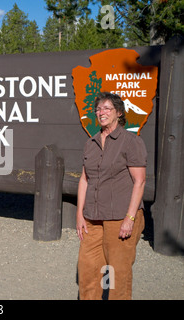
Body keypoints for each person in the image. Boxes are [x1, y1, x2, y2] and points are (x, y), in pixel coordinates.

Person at [76, 92, 147, 300]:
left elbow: (139, 181)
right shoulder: (91, 142)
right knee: (88, 269)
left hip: (120, 217)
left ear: (118, 113)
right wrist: (80, 214)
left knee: (117, 274)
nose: (101, 112)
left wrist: (130, 218)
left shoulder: (130, 141)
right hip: (92, 216)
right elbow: (84, 180)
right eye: (98, 109)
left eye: (107, 108)